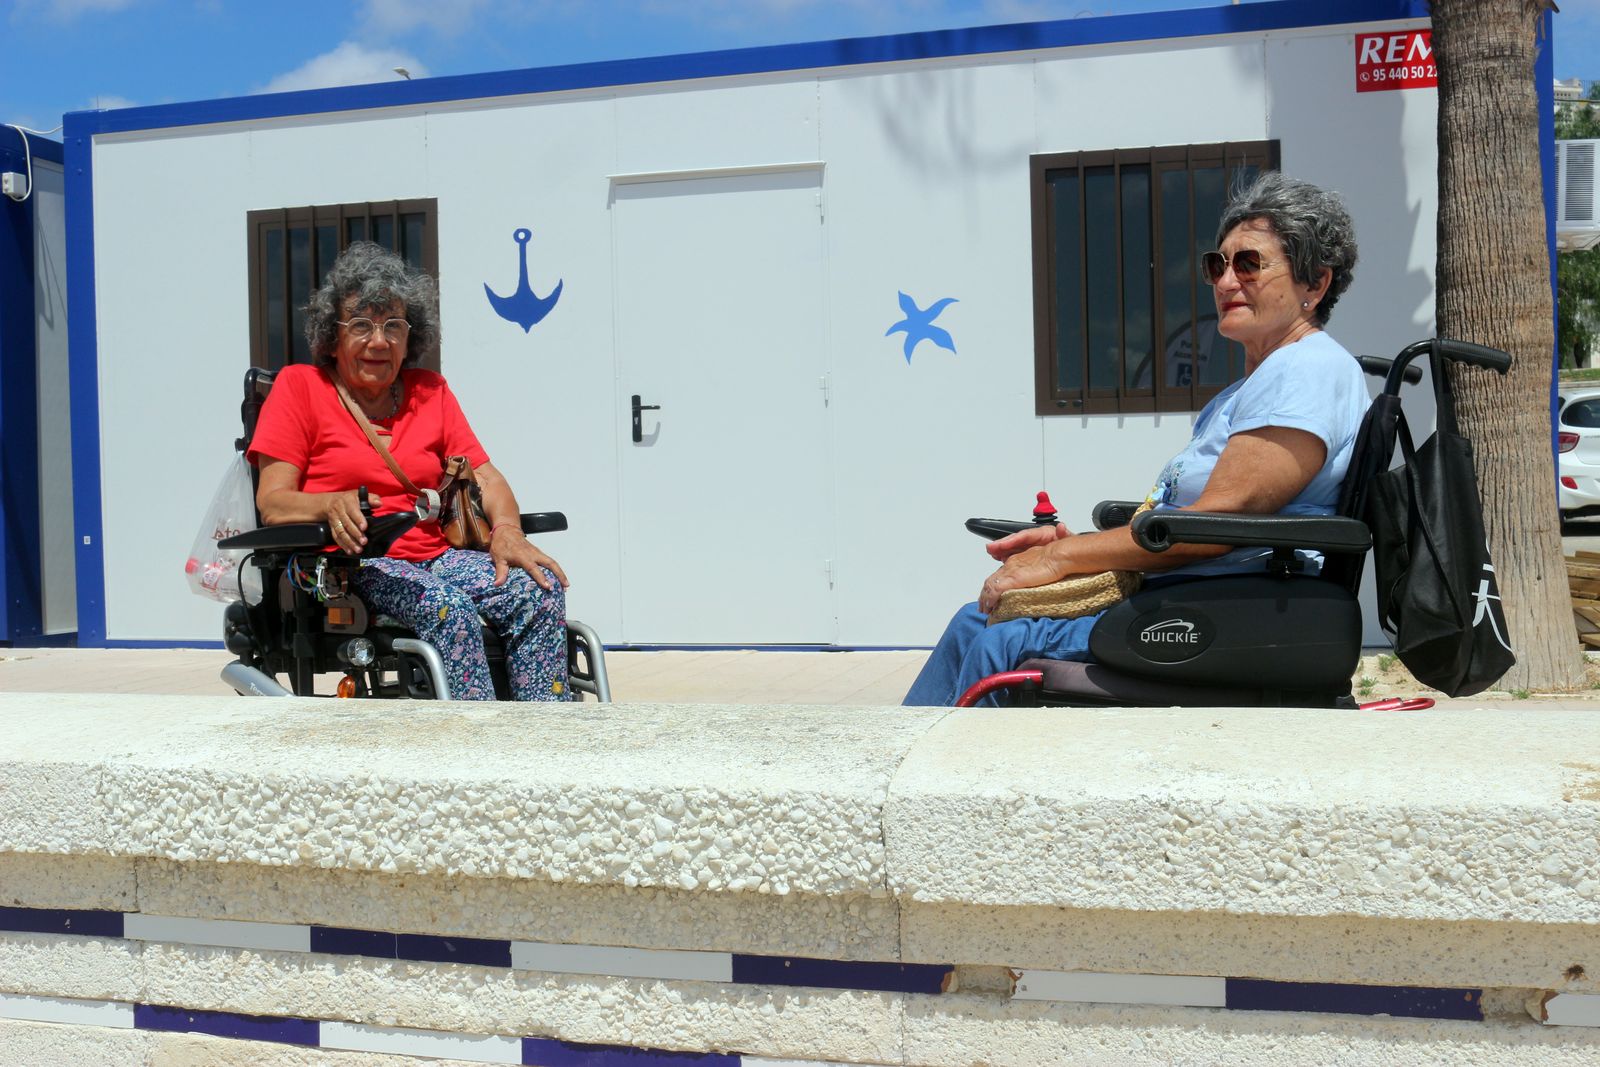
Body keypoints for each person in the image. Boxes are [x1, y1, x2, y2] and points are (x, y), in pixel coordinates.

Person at [905, 172, 1368, 706]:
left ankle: (947, 785)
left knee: (1005, 640)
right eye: (1216, 265)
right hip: (1187, 587)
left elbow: (1216, 526)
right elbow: (1182, 517)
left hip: (1234, 603)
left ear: (1315, 284)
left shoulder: (1308, 370)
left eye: (1248, 264)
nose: (1224, 282)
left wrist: (1067, 559)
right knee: (974, 619)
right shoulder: (1245, 389)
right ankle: (887, 778)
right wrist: (1076, 546)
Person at [248, 241, 571, 701]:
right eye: (361, 325)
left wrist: (507, 531)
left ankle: (546, 734)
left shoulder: (430, 391)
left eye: (392, 326)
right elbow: (273, 501)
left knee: (536, 589)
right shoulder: (300, 387)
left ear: (409, 336)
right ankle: (479, 741)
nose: (378, 341)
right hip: (352, 565)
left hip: (436, 556)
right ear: (332, 336)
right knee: (449, 608)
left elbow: (487, 476)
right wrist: (330, 503)